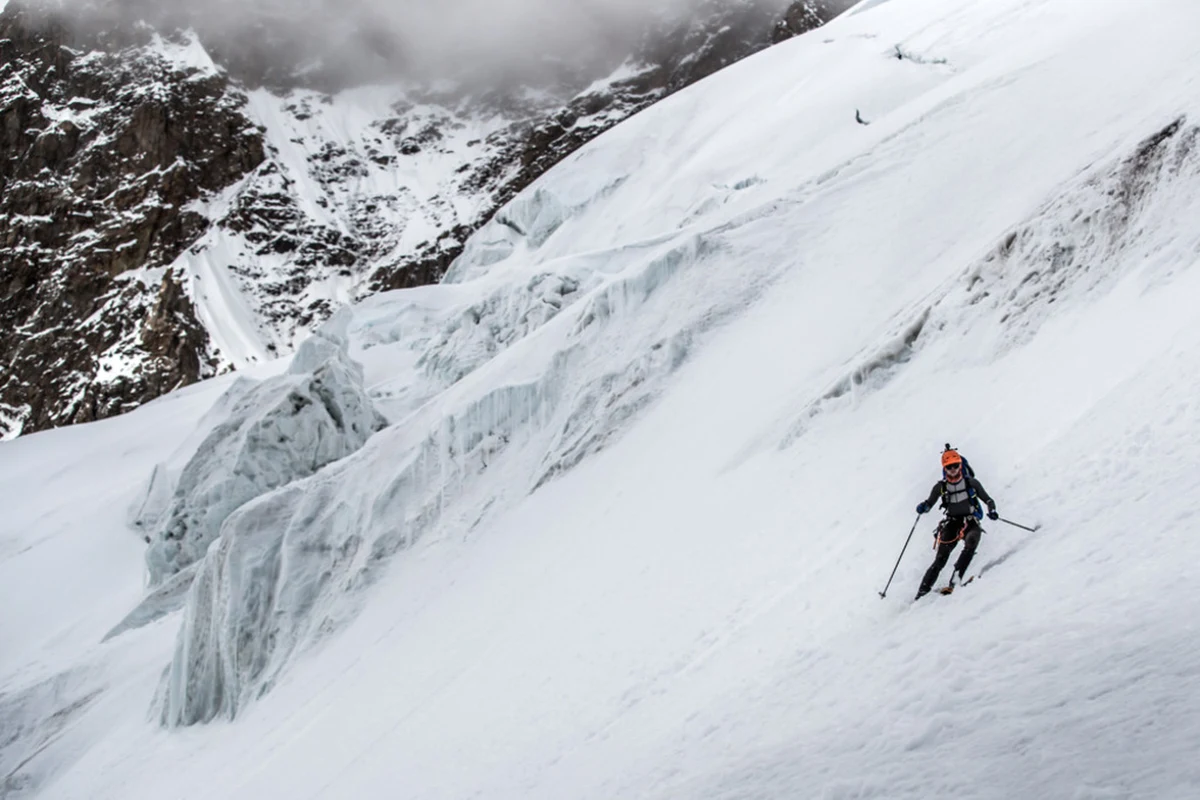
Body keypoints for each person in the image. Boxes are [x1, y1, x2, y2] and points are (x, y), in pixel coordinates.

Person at [914, 447, 999, 599]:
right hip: (952, 523)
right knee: (940, 559)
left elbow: (988, 499)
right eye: (949, 467)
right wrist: (923, 507)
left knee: (971, 542)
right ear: (944, 468)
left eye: (955, 465)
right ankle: (921, 593)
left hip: (970, 521)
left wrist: (992, 510)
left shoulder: (971, 482)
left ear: (960, 465)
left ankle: (955, 580)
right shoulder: (941, 487)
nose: (953, 470)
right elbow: (929, 504)